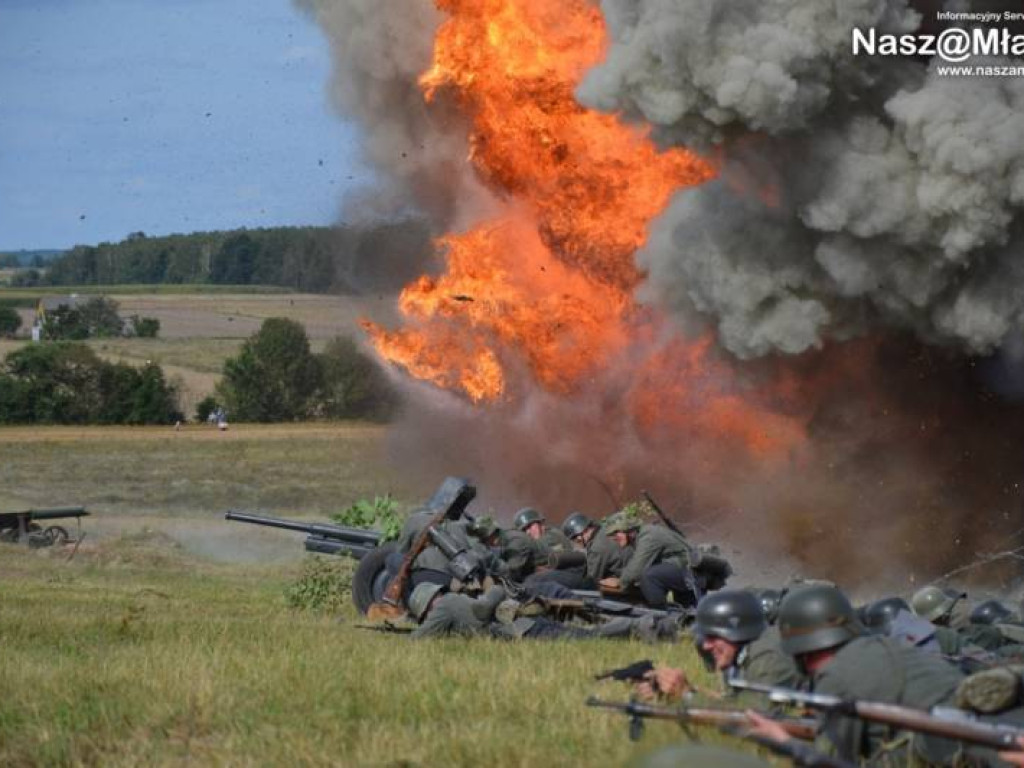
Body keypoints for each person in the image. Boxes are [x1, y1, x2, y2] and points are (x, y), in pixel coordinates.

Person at [747, 583, 966, 766]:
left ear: (800, 650)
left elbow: (828, 762)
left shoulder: (837, 676)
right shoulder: (886, 647)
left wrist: (783, 742)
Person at [635, 589, 802, 702]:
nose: (706, 646)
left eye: (713, 637)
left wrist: (687, 696)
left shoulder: (768, 657)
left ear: (738, 632)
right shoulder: (741, 654)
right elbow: (731, 702)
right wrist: (678, 690)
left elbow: (752, 719)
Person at [406, 582, 680, 641]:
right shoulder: (457, 600)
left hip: (525, 630)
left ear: (428, 605)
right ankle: (654, 624)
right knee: (584, 632)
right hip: (528, 620)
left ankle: (643, 625)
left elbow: (420, 639)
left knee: (586, 637)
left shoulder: (444, 605)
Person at [600, 514, 699, 608]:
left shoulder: (648, 536)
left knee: (649, 576)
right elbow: (634, 564)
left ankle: (659, 612)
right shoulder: (641, 536)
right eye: (611, 534)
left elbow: (637, 569)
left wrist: (620, 582)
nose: (613, 537)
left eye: (615, 533)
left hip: (689, 570)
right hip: (683, 568)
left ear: (627, 529)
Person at [562, 511, 631, 587]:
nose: (576, 542)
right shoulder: (604, 530)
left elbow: (591, 580)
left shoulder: (596, 549)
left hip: (628, 581)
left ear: (579, 536)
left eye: (574, 539)